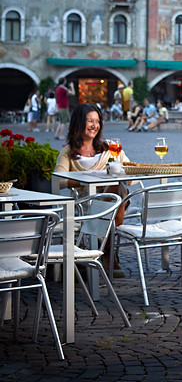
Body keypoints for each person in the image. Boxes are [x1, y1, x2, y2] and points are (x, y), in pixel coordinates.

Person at [55, 103, 131, 274]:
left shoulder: (110, 148)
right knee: (115, 197)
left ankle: (100, 242)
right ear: (79, 123)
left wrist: (117, 167)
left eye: (97, 121)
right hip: (84, 204)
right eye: (90, 121)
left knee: (117, 186)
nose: (94, 126)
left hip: (112, 201)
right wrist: (90, 180)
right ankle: (108, 253)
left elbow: (130, 172)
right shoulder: (68, 153)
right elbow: (58, 180)